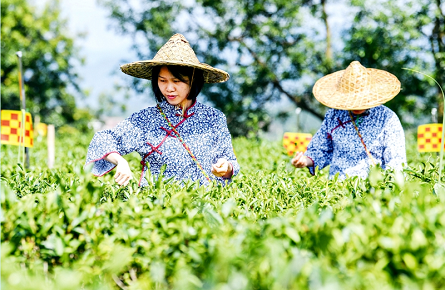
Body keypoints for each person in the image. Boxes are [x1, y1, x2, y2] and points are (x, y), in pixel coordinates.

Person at [85, 34, 239, 187]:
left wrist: (226, 168)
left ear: (193, 81)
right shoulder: (146, 119)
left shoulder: (213, 118)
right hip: (157, 206)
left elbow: (229, 161)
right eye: (162, 80)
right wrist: (120, 161)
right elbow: (103, 140)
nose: (169, 88)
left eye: (176, 81)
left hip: (203, 204)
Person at [291, 61, 406, 179]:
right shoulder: (334, 115)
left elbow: (396, 162)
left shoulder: (387, 118)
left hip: (374, 190)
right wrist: (305, 161)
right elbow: (321, 149)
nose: (356, 105)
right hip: (338, 189)